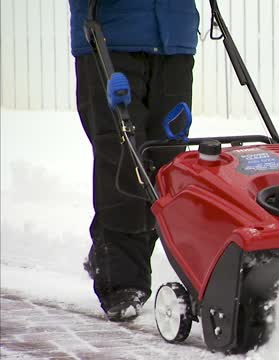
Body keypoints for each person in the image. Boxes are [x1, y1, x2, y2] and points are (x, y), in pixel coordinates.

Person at [69, 0, 199, 321]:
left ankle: (112, 253)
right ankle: (122, 280)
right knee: (124, 159)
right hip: (111, 36)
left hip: (175, 37)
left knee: (166, 164)